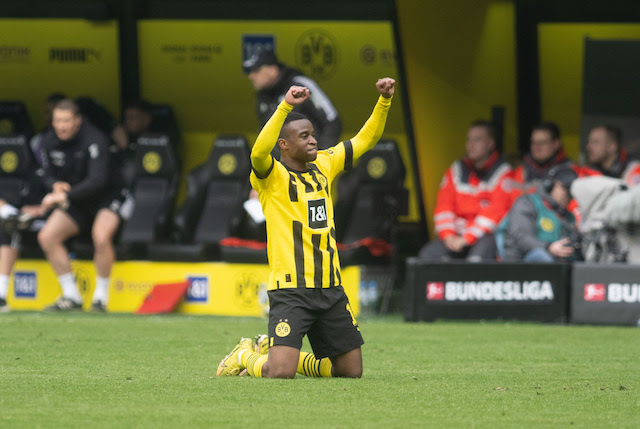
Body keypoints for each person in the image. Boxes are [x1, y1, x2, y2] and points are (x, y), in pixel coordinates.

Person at [216, 78, 395, 379]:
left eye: (313, 134)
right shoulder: (272, 178)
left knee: (350, 372)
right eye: (304, 136)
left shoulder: (325, 165)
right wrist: (285, 106)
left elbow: (365, 140)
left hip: (330, 288)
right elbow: (259, 152)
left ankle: (276, 350)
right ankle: (245, 355)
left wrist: (384, 102)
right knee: (278, 373)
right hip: (291, 290)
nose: (313, 140)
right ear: (284, 145)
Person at [37, 99, 133, 311]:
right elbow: (45, 175)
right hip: (77, 200)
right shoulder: (48, 141)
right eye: (57, 121)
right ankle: (71, 296)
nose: (61, 126)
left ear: (77, 121)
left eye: (66, 121)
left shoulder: (94, 139)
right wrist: (54, 185)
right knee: (47, 237)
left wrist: (64, 196)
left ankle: (101, 297)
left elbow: (97, 181)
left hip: (107, 196)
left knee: (100, 236)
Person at [417, 120, 513, 262]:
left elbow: (496, 212)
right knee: (428, 256)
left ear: (490, 144)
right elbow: (443, 208)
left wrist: (467, 238)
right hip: (455, 236)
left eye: (477, 140)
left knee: (477, 260)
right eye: (469, 139)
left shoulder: (504, 172)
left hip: (485, 237)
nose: (471, 145)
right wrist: (448, 235)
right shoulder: (455, 170)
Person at [244, 49, 342, 151]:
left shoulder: (301, 85)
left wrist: (321, 158)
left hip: (310, 162)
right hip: (279, 165)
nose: (251, 76)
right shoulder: (262, 96)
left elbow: (332, 121)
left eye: (256, 71)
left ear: (273, 70)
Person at [502, 165, 579, 262]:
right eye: (565, 188)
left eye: (571, 191)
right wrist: (549, 247)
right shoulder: (527, 203)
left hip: (557, 264)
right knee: (541, 256)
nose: (568, 195)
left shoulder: (569, 216)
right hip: (522, 263)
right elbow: (522, 237)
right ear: (550, 185)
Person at [512, 122, 577, 197]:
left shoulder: (568, 171)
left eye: (542, 142)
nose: (536, 147)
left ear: (556, 144)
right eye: (533, 142)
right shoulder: (522, 169)